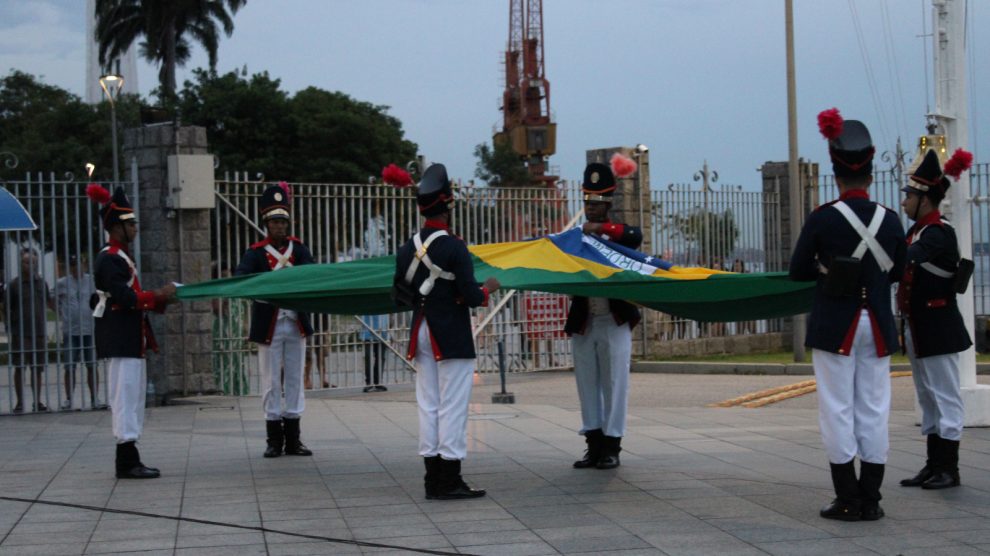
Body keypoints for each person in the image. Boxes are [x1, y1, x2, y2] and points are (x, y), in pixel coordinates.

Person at [789, 109, 906, 521]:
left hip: (834, 324)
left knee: (836, 408)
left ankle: (846, 497)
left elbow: (797, 270)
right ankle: (871, 499)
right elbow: (899, 270)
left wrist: (827, 270)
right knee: (874, 408)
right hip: (876, 324)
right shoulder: (890, 221)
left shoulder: (823, 218)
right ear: (870, 173)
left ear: (836, 172)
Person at [393, 163, 499, 500]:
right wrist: (489, 289)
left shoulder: (407, 248)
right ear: (447, 206)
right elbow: (471, 296)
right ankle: (450, 478)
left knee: (429, 405)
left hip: (421, 331)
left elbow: (401, 291)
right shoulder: (455, 247)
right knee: (453, 406)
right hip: (450, 334)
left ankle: (431, 479)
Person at [88, 185, 177, 479]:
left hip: (129, 337)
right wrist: (158, 296)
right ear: (116, 227)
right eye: (130, 224)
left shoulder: (120, 256)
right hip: (120, 337)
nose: (136, 229)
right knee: (125, 397)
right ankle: (126, 460)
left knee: (133, 397)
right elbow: (125, 299)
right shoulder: (111, 258)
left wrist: (158, 299)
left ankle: (130, 455)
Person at [898, 148, 974, 490]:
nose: (904, 202)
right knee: (927, 396)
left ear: (924, 198)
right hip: (919, 327)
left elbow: (906, 260)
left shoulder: (938, 233)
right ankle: (932, 464)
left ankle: (949, 468)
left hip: (939, 327)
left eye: (909, 196)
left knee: (945, 396)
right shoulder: (916, 232)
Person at [565, 158, 643, 470]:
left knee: (615, 384)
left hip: (614, 319)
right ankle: (593, 445)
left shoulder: (617, 233)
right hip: (585, 321)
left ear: (608, 202)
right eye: (588, 202)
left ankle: (612, 446)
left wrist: (600, 228)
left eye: (597, 202)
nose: (592, 208)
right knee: (587, 385)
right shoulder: (576, 236)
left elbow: (634, 235)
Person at [235, 182, 315, 458]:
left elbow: (312, 275)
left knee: (294, 378)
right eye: (274, 221)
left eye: (283, 220)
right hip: (269, 324)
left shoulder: (299, 250)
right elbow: (241, 277)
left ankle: (294, 439)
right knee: (270, 382)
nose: (280, 226)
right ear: (266, 223)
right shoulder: (255, 253)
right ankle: (273, 439)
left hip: (295, 323)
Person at [6, 249, 53, 413]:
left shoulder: (42, 283)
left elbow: (49, 302)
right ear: (21, 264)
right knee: (20, 367)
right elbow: (7, 307)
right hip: (20, 331)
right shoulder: (14, 284)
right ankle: (19, 402)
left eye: (33, 262)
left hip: (39, 330)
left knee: (37, 368)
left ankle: (37, 401)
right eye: (27, 262)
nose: (31, 265)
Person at [56, 254, 101, 410]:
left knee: (92, 365)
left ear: (85, 265)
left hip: (89, 329)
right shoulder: (62, 283)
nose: (77, 268)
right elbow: (51, 298)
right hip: (71, 330)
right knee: (70, 366)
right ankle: (69, 399)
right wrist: (61, 312)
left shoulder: (91, 281)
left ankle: (95, 398)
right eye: (74, 265)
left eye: (80, 264)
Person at [360, 313, 389, 392]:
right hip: (367, 328)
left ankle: (378, 381)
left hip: (382, 329)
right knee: (368, 356)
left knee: (381, 357)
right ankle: (369, 382)